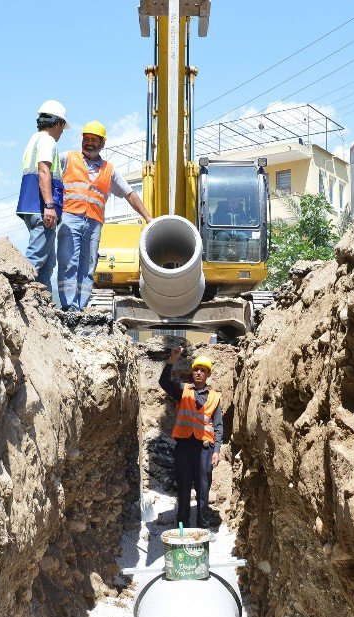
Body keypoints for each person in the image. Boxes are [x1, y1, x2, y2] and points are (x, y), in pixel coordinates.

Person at [57, 121, 152, 311]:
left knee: (88, 266)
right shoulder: (67, 158)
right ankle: (69, 307)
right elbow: (46, 174)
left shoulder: (109, 170)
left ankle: (80, 307)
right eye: (86, 139)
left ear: (102, 144)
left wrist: (148, 218)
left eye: (94, 140)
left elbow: (129, 194)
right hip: (70, 218)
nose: (89, 143)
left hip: (94, 223)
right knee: (69, 262)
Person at [160, 347, 223, 529]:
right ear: (192, 372)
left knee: (204, 490)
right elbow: (164, 382)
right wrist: (172, 360)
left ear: (208, 374)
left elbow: (218, 426)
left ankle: (202, 527)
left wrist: (217, 451)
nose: (198, 372)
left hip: (205, 449)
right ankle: (182, 527)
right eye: (196, 369)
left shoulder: (214, 397)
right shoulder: (183, 390)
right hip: (184, 447)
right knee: (184, 487)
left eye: (203, 370)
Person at [15, 100, 69, 294]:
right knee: (36, 256)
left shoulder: (33, 139)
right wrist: (49, 205)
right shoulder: (48, 141)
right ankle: (17, 291)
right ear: (58, 123)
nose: (62, 132)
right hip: (40, 207)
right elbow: (44, 171)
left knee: (47, 261)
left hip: (30, 206)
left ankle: (42, 302)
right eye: (63, 127)